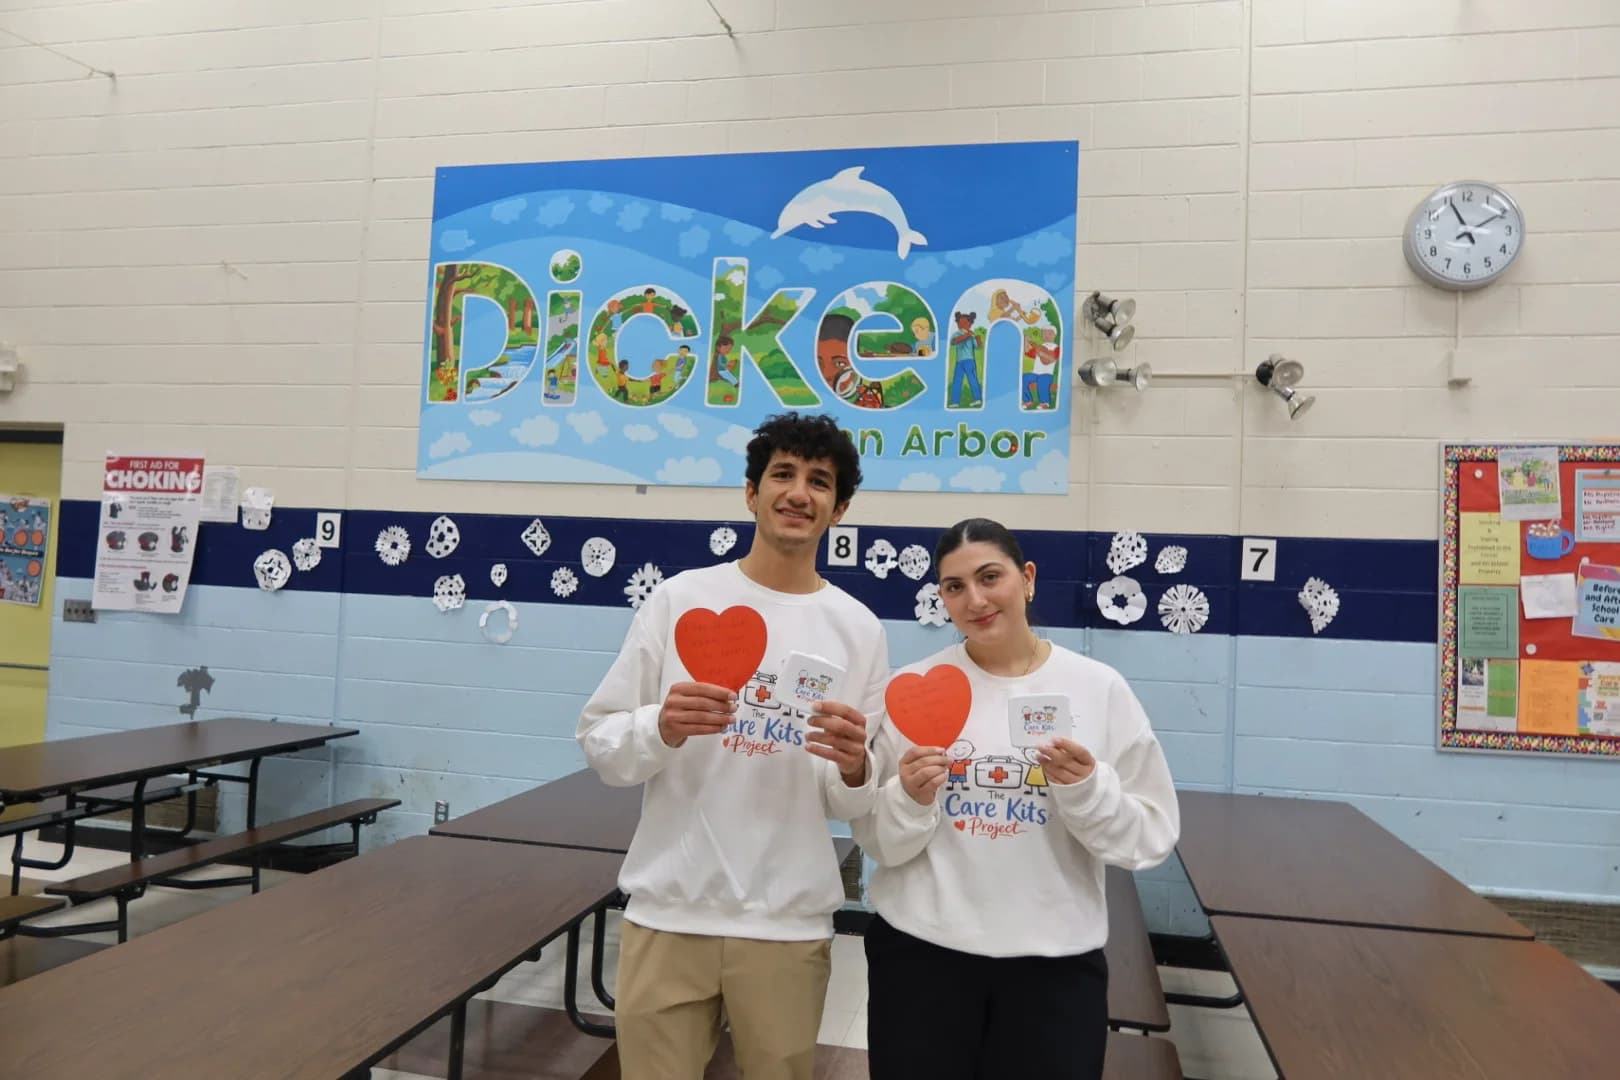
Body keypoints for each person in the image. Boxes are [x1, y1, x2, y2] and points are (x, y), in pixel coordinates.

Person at [578, 412, 889, 1080]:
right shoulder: (677, 600)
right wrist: (659, 725)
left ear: (840, 507)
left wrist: (858, 765)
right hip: (667, 911)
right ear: (752, 494)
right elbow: (601, 742)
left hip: (787, 924)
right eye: (782, 474)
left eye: (819, 481)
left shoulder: (858, 630)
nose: (798, 493)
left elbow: (855, 798)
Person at [853, 517, 1179, 1080]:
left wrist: (1087, 790)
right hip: (920, 959)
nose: (974, 599)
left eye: (989, 577)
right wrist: (907, 797)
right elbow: (877, 839)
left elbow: (1150, 838)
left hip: (1053, 969)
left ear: (1026, 578)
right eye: (954, 587)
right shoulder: (914, 690)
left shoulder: (1097, 689)